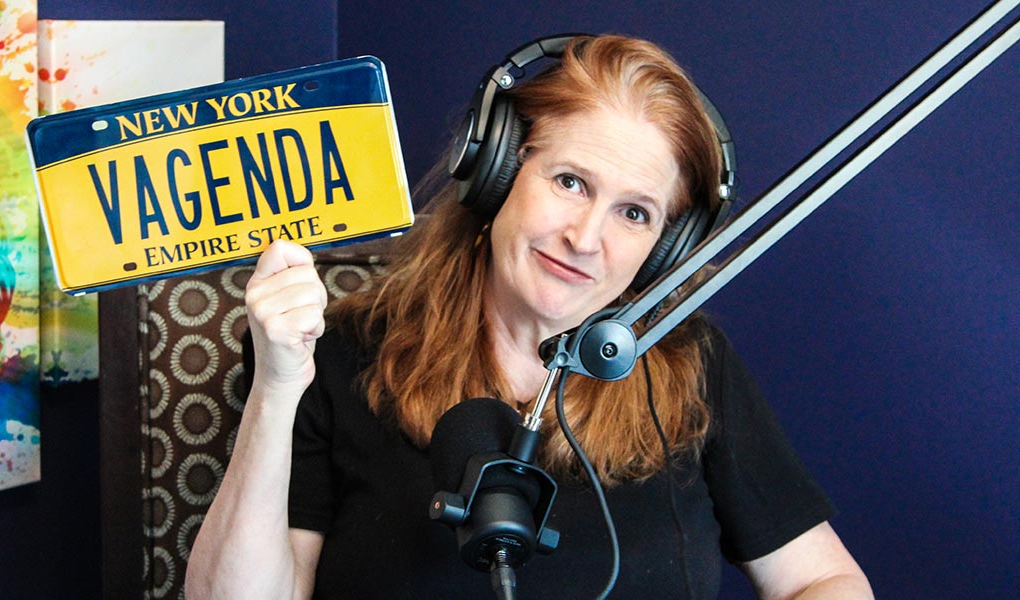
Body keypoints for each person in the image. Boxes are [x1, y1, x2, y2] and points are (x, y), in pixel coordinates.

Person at [185, 34, 873, 599]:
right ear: (496, 174)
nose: (586, 238)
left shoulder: (689, 365)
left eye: (634, 213)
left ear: (665, 246)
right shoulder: (338, 355)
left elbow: (823, 579)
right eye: (570, 182)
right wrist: (277, 387)